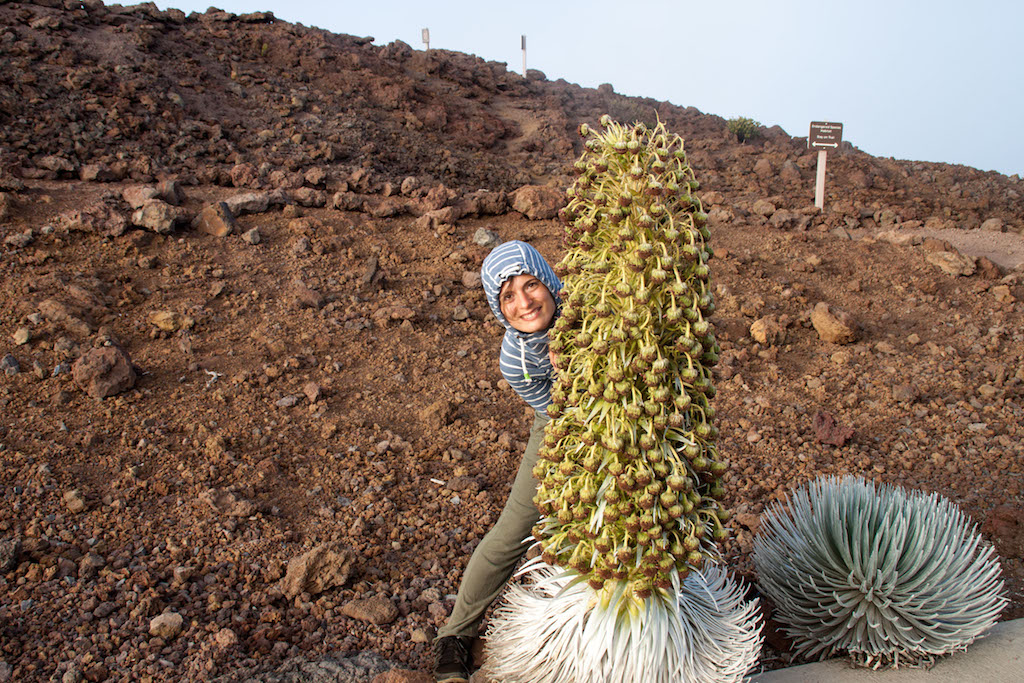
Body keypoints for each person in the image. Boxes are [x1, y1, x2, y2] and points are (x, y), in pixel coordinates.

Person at [432, 239, 562, 683]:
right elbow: (561, 412)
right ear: (497, 307)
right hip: (561, 427)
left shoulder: (591, 309)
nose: (525, 302)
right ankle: (455, 634)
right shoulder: (516, 360)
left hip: (630, 412)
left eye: (531, 284)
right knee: (513, 531)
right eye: (508, 296)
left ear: (550, 280)